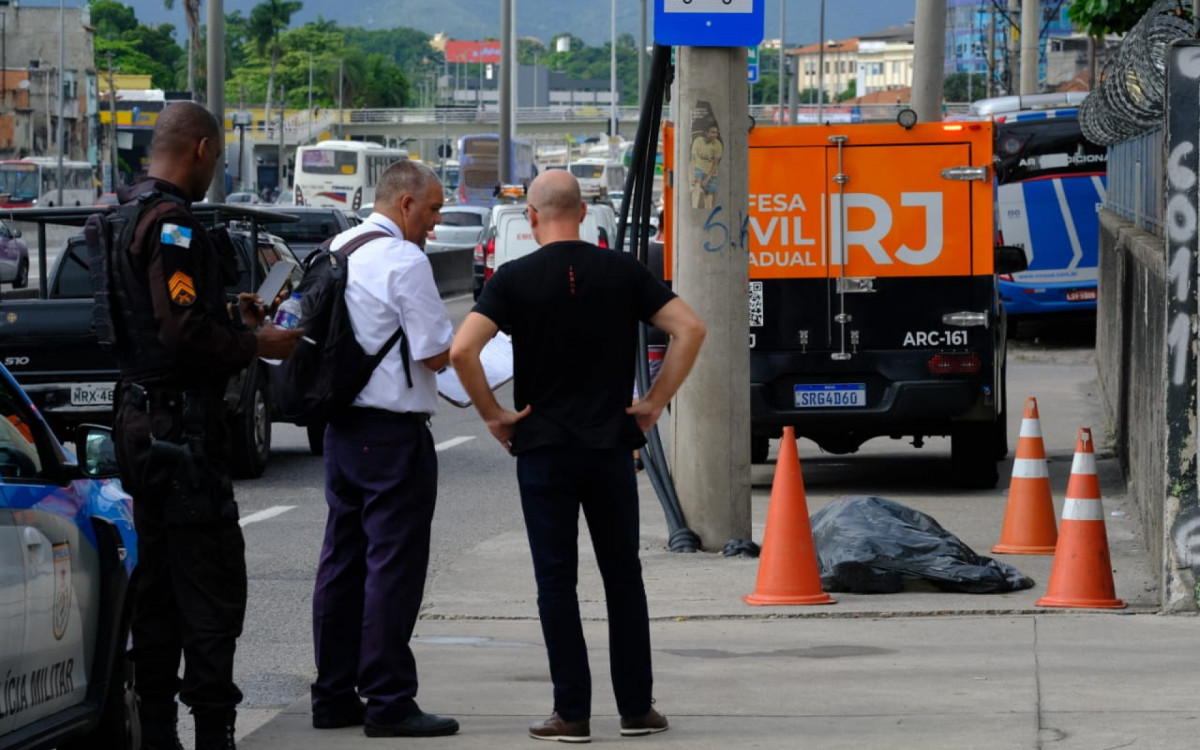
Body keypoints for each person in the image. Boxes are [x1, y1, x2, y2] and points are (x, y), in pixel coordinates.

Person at [449, 170, 706, 743]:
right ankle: (636, 709)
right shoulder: (623, 271)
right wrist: (653, 402)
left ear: (531, 217)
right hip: (610, 447)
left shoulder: (513, 278)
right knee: (623, 577)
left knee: (556, 581)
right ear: (584, 214)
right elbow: (690, 328)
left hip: (542, 449)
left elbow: (462, 349)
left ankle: (572, 714)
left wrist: (493, 414)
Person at [110, 101, 305, 750]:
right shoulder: (173, 225)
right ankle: (214, 735)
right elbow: (181, 332)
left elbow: (159, 319)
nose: (213, 169)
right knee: (211, 594)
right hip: (184, 436)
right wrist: (256, 344)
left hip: (140, 426)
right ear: (200, 149)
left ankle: (156, 733)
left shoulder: (122, 215)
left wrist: (228, 315)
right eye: (216, 157)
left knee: (157, 591)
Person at [309, 159, 460, 739]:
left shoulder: (336, 248)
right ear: (405, 204)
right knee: (392, 570)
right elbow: (435, 352)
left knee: (341, 564)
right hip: (394, 437)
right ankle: (390, 700)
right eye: (433, 209)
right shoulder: (404, 259)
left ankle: (333, 695)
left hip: (342, 431)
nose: (436, 222)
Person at [690, 123, 723, 210]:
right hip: (698, 169)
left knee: (709, 198)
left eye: (716, 132)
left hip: (710, 172)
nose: (715, 135)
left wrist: (707, 179)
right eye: (712, 132)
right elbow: (693, 160)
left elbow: (716, 164)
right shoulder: (697, 141)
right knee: (697, 190)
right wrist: (693, 175)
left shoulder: (718, 145)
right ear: (706, 133)